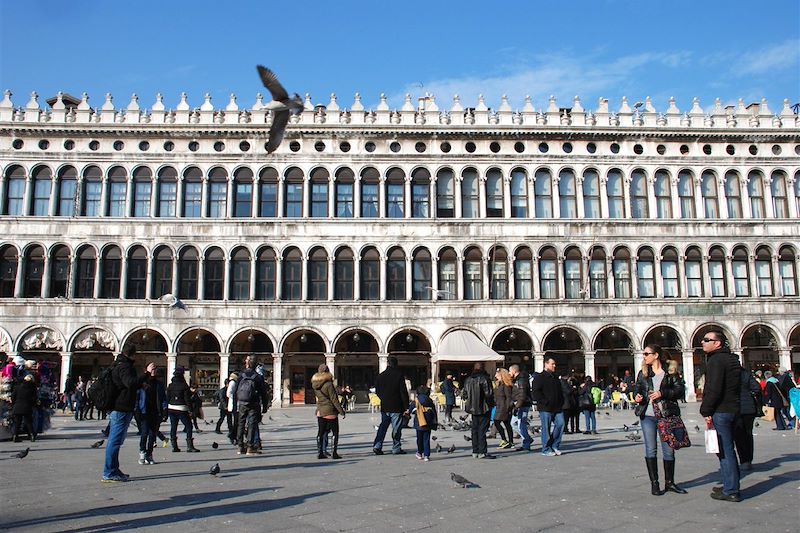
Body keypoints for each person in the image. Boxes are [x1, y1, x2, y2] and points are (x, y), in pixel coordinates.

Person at [634, 345, 687, 496]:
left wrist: (662, 393)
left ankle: (670, 483)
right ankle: (654, 483)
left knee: (668, 450)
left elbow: (679, 391)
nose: (644, 356)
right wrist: (637, 397)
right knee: (650, 448)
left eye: (646, 353)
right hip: (648, 415)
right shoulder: (643, 373)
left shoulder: (670, 372)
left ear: (656, 355)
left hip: (666, 415)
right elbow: (637, 389)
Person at [699, 330, 742, 502]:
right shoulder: (732, 359)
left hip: (721, 410)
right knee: (728, 450)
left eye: (707, 340)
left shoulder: (716, 361)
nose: (703, 342)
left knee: (725, 452)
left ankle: (731, 490)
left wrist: (706, 410)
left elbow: (714, 389)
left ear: (717, 343)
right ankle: (729, 483)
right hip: (733, 409)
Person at [103, 346, 153, 483]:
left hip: (120, 407)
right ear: (132, 355)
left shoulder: (118, 364)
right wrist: (147, 374)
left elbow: (126, 384)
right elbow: (130, 383)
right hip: (121, 408)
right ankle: (109, 472)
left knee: (116, 441)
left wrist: (140, 385)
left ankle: (114, 469)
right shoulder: (125, 366)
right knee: (114, 441)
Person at [372, 356, 410, 455]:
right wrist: (406, 406)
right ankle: (396, 448)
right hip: (396, 406)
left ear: (388, 364)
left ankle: (377, 446)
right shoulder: (399, 375)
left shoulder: (381, 376)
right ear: (396, 364)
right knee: (396, 428)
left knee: (383, 427)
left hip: (385, 406)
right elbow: (403, 392)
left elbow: (377, 391)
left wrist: (383, 399)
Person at [236, 355, 270, 455]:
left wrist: (235, 403)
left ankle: (240, 446)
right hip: (253, 403)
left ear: (247, 363)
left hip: (242, 403)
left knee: (241, 423)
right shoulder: (257, 377)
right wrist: (265, 406)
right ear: (255, 365)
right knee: (252, 424)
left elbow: (236, 390)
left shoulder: (241, 375)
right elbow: (263, 393)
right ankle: (250, 447)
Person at [530, 356, 564, 457]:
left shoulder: (555, 377)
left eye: (554, 364)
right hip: (546, 407)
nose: (554, 366)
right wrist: (544, 401)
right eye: (552, 364)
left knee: (561, 424)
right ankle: (545, 448)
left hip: (557, 406)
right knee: (546, 428)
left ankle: (554, 444)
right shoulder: (539, 377)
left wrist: (561, 401)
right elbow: (535, 392)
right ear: (546, 364)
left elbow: (560, 391)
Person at [462, 362, 495, 459]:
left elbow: (464, 394)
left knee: (474, 429)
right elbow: (489, 394)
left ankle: (475, 451)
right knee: (482, 430)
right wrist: (490, 404)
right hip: (483, 408)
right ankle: (482, 451)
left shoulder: (468, 380)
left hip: (472, 408)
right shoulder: (485, 379)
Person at [311, 363, 345, 459]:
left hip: (320, 410)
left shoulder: (314, 384)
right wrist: (341, 411)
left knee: (321, 432)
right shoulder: (329, 384)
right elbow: (334, 399)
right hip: (330, 411)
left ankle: (320, 452)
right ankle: (334, 453)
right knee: (335, 432)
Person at [136, 364, 167, 465]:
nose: (154, 370)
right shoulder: (142, 383)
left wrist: (164, 409)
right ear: (146, 370)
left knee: (152, 435)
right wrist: (136, 410)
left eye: (155, 369)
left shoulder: (159, 383)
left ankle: (149, 454)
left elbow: (163, 398)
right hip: (144, 411)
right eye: (152, 368)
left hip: (155, 412)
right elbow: (137, 397)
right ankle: (142, 453)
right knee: (144, 433)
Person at [733, 366, 760, 470]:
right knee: (748, 434)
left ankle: (743, 460)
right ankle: (749, 459)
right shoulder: (746, 374)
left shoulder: (730, 374)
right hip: (749, 408)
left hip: (737, 408)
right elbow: (756, 388)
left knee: (739, 435)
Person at [167, 367, 197, 453]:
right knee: (188, 426)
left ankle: (174, 446)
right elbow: (187, 399)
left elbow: (167, 398)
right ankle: (189, 446)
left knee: (173, 427)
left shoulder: (170, 385)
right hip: (182, 408)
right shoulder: (184, 386)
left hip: (172, 408)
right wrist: (191, 410)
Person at [509, 364, 533, 451]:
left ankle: (526, 444)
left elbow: (522, 395)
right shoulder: (518, 379)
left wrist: (516, 407)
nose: (509, 373)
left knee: (521, 424)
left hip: (523, 404)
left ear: (514, 371)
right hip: (520, 403)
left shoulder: (521, 380)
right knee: (513, 423)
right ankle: (527, 439)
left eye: (510, 371)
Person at [410, 385, 437, 461]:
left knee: (419, 439)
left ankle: (419, 452)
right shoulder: (430, 401)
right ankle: (426, 455)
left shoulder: (415, 401)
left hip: (419, 423)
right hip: (428, 423)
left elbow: (410, 410)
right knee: (426, 439)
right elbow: (434, 413)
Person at [11, 374, 38, 442]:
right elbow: (34, 398)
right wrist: (32, 405)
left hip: (17, 406)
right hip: (27, 406)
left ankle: (15, 436)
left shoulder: (17, 387)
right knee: (29, 422)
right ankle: (32, 436)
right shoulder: (32, 388)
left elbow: (13, 397)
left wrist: (15, 403)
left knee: (17, 422)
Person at [493, 368, 514, 449]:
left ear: (501, 375)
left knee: (496, 421)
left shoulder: (506, 385)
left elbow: (508, 397)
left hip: (503, 407)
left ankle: (505, 440)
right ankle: (510, 441)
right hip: (499, 406)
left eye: (497, 374)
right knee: (506, 424)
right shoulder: (500, 384)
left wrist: (508, 408)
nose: (495, 376)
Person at [226, 372, 239, 444]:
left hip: (234, 405)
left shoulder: (234, 383)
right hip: (233, 405)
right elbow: (228, 393)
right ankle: (232, 435)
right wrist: (235, 398)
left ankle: (233, 435)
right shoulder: (232, 383)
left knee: (236, 422)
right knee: (236, 422)